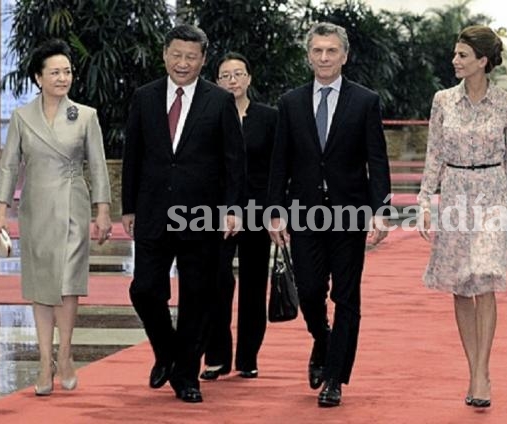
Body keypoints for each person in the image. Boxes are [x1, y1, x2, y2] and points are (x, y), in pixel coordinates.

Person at [267, 21, 391, 408]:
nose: (324, 57)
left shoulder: (365, 101)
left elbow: (377, 159)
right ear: (309, 55)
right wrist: (274, 212)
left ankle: (335, 378)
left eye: (331, 51)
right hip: (303, 214)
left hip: (349, 214)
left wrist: (380, 210)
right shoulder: (290, 102)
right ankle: (323, 341)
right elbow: (279, 161)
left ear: (344, 55)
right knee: (309, 292)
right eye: (317, 51)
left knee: (347, 296)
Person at [121, 24, 245, 403]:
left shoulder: (218, 101)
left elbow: (233, 161)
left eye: (191, 57)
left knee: (197, 296)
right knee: (143, 289)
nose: (183, 63)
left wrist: (233, 210)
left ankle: (186, 375)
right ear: (164, 54)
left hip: (201, 216)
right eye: (176, 54)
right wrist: (128, 207)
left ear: (203, 60)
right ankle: (167, 352)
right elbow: (133, 156)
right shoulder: (145, 98)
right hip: (153, 211)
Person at [0, 39, 112, 396]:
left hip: (73, 202)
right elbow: (10, 165)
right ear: (38, 78)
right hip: (37, 207)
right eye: (55, 72)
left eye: (67, 71)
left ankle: (67, 353)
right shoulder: (22, 117)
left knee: (68, 281)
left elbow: (99, 166)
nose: (63, 78)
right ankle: (45, 361)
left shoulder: (86, 115)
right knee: (42, 284)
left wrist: (102, 209)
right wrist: (0, 211)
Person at [417, 25, 507, 408]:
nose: (455, 61)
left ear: (483, 61)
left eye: (463, 55)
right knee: (461, 285)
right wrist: (423, 202)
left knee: (485, 279)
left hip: (493, 194)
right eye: (455, 54)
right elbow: (434, 154)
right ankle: (473, 368)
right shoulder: (442, 101)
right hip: (454, 197)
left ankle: (482, 373)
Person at [200, 52, 277, 380]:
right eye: (225, 76)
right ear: (217, 82)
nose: (233, 81)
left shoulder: (269, 117)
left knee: (254, 284)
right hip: (217, 212)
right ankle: (216, 356)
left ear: (249, 78)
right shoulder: (208, 116)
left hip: (258, 211)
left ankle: (248, 357)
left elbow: (278, 168)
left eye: (238, 74)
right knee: (216, 280)